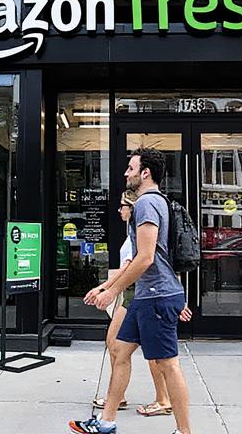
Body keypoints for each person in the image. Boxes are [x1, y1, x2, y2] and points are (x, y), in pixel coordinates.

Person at [70, 148, 192, 434]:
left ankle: (185, 432)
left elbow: (145, 257)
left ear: (145, 172)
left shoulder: (147, 203)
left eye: (130, 168)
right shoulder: (153, 202)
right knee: (120, 351)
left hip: (157, 296)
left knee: (168, 364)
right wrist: (108, 286)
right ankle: (106, 422)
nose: (126, 173)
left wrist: (113, 291)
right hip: (146, 296)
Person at [87, 190, 177, 417]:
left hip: (136, 295)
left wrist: (105, 289)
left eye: (122, 206)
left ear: (132, 207)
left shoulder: (139, 233)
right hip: (134, 295)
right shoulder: (133, 234)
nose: (119, 211)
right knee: (120, 347)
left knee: (135, 350)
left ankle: (161, 400)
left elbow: (130, 267)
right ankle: (117, 400)